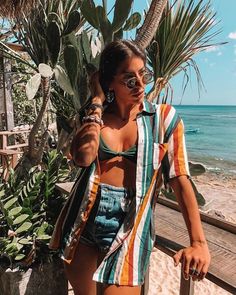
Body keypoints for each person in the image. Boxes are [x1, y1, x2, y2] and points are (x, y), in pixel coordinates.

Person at [49, 39, 211, 295]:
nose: (141, 84)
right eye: (130, 79)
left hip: (131, 226)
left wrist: (198, 242)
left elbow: (179, 177)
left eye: (143, 74)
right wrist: (97, 100)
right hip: (83, 221)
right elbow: (83, 158)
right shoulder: (94, 116)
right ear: (110, 81)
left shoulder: (164, 119)